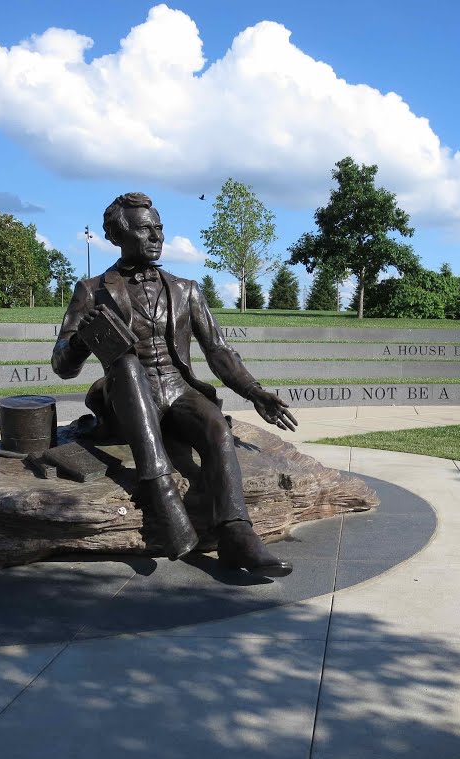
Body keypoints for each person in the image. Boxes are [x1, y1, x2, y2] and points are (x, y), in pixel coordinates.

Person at [52, 192, 297, 577]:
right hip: (126, 401)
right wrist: (82, 339)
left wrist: (254, 391)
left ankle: (235, 532)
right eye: (145, 228)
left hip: (177, 389)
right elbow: (62, 365)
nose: (156, 236)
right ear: (119, 235)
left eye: (160, 228)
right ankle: (162, 493)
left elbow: (218, 350)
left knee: (216, 425)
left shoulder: (185, 289)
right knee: (128, 364)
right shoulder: (92, 290)